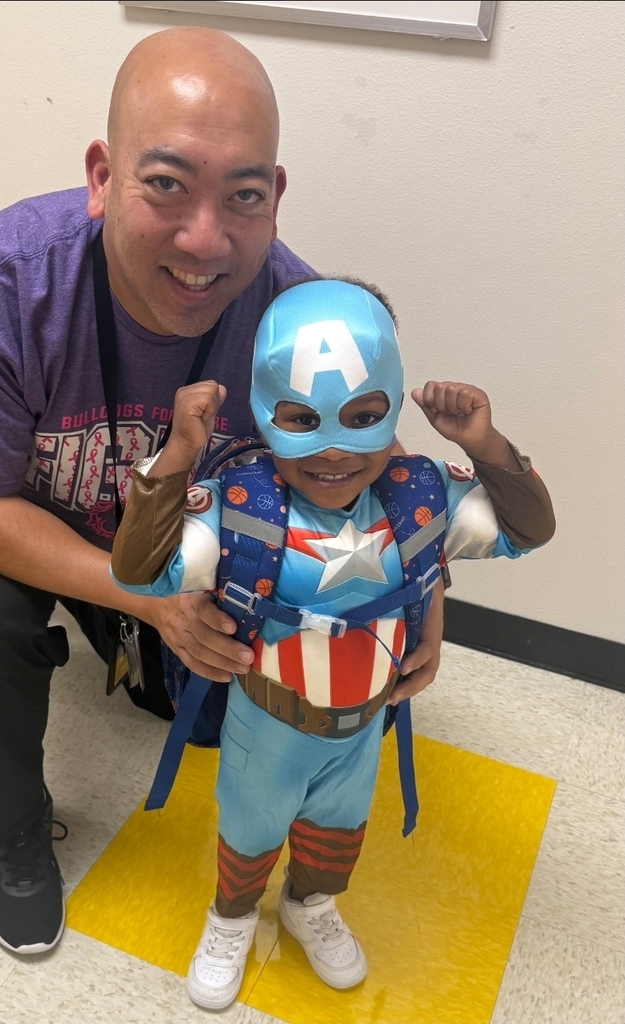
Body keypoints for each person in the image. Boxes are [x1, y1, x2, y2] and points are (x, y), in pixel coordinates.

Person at [0, 28, 445, 956]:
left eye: (242, 196)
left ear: (274, 201)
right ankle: (13, 826)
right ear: (101, 176)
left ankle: (135, 650)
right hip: (38, 523)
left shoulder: (292, 311)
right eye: (165, 184)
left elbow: (376, 469)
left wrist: (427, 596)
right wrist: (148, 601)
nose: (205, 241)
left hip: (191, 538)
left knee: (202, 715)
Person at [110, 278, 555, 1011]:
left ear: (389, 408)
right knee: (249, 834)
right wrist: (176, 457)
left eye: (362, 417)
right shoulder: (243, 512)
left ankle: (309, 905)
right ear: (265, 412)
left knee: (335, 834)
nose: (332, 450)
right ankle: (229, 919)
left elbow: (528, 529)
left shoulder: (418, 498)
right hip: (266, 725)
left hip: (362, 729)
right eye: (299, 419)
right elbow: (138, 569)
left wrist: (482, 442)